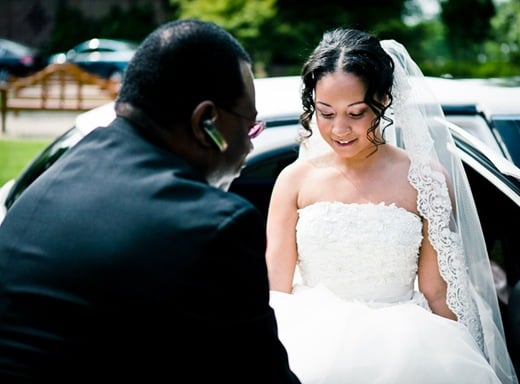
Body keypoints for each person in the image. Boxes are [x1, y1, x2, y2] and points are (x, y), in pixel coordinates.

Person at [0, 19, 300, 382]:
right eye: (249, 127)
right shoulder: (213, 225)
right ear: (207, 121)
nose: (250, 146)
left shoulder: (58, 174)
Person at [265, 28, 518, 383]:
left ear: (383, 101)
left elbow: (438, 290)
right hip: (309, 339)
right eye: (325, 113)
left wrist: (464, 354)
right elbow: (275, 288)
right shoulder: (294, 181)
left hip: (408, 344)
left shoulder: (425, 179)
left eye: (355, 113)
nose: (339, 129)